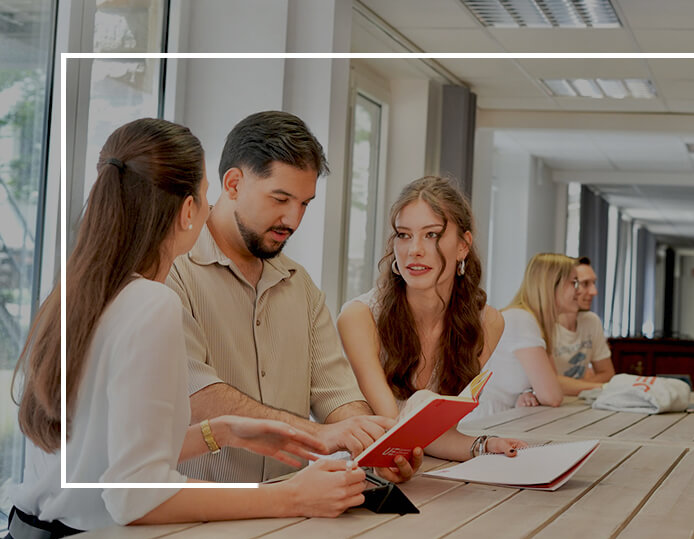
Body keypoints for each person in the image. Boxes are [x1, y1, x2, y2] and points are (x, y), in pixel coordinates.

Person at [8, 119, 373, 538]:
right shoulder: (153, 302)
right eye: (203, 195)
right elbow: (134, 495)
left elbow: (101, 450)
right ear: (187, 211)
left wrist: (222, 432)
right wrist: (291, 496)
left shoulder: (77, 292)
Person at [164, 111, 412, 484]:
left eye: (304, 203)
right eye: (280, 199)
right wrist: (316, 434)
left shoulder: (301, 286)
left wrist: (372, 443)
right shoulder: (171, 270)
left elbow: (337, 394)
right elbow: (197, 398)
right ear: (233, 183)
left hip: (290, 511)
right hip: (196, 515)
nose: (293, 220)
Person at [338, 176, 526, 460]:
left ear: (463, 245)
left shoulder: (487, 323)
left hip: (416, 469)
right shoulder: (359, 316)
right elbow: (397, 432)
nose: (414, 249)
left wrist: (486, 445)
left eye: (432, 234)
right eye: (403, 234)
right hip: (353, 470)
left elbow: (428, 437)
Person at [473, 253, 576, 415]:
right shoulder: (521, 319)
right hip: (487, 422)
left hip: (505, 420)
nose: (581, 291)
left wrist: (530, 392)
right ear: (551, 285)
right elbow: (552, 396)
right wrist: (536, 392)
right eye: (574, 283)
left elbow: (553, 382)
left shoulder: (533, 321)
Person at [552, 256, 614, 391]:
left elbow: (607, 374)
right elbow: (548, 383)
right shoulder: (541, 325)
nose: (594, 292)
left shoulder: (591, 321)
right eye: (584, 284)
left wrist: (574, 385)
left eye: (593, 283)